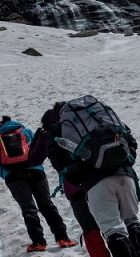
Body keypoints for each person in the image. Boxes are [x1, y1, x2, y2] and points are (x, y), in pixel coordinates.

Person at [44, 99, 140, 257]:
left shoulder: (60, 128)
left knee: (114, 231)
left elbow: (56, 158)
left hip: (96, 183)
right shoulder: (102, 118)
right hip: (125, 176)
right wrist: (126, 163)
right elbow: (130, 140)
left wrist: (77, 176)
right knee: (132, 223)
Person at [0, 115, 76, 253]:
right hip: (35, 171)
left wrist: (6, 174)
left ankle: (38, 242)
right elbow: (38, 148)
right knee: (47, 205)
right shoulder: (26, 132)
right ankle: (63, 238)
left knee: (28, 208)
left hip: (13, 176)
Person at [29, 108, 108, 257]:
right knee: (113, 225)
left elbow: (34, 160)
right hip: (100, 180)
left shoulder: (51, 133)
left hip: (76, 186)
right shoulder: (82, 124)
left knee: (90, 228)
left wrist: (38, 138)